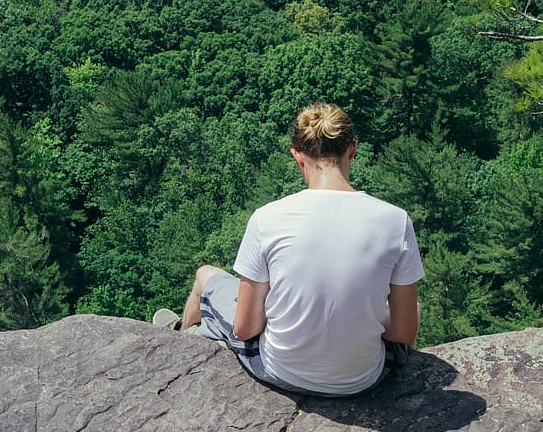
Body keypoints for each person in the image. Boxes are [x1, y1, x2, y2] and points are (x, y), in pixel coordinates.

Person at [158, 102, 424, 396]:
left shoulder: (268, 218)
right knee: (410, 306)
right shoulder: (396, 221)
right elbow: (403, 334)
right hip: (363, 379)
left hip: (282, 372)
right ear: (353, 149)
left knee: (206, 276)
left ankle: (183, 337)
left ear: (297, 156)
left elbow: (245, 329)